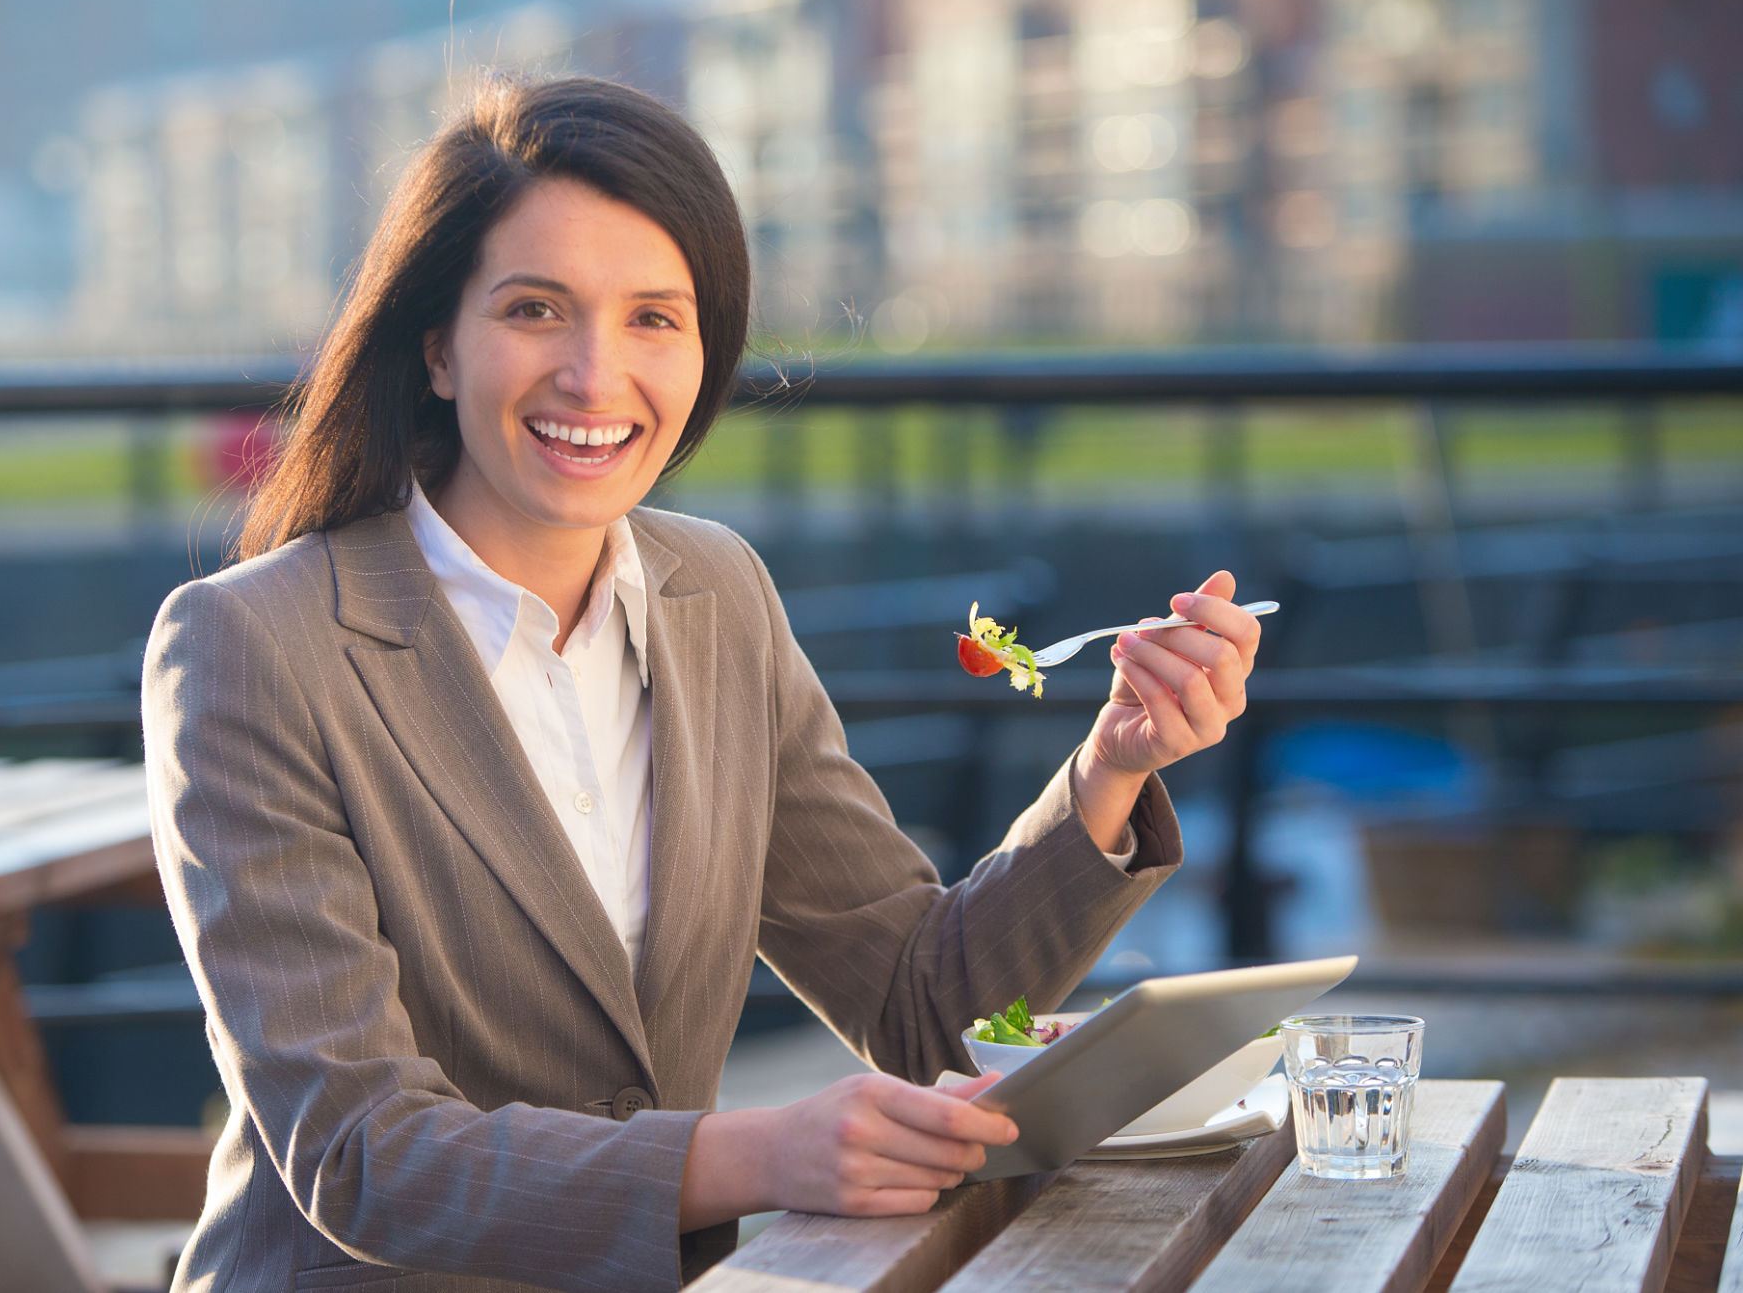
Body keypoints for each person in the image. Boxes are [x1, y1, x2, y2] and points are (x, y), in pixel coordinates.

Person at [142, 75, 1264, 1293]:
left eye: (652, 319)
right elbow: (361, 1154)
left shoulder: (715, 595)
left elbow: (921, 1007)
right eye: (533, 309)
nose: (592, 374)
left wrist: (1110, 767)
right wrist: (755, 1153)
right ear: (437, 348)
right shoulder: (254, 645)